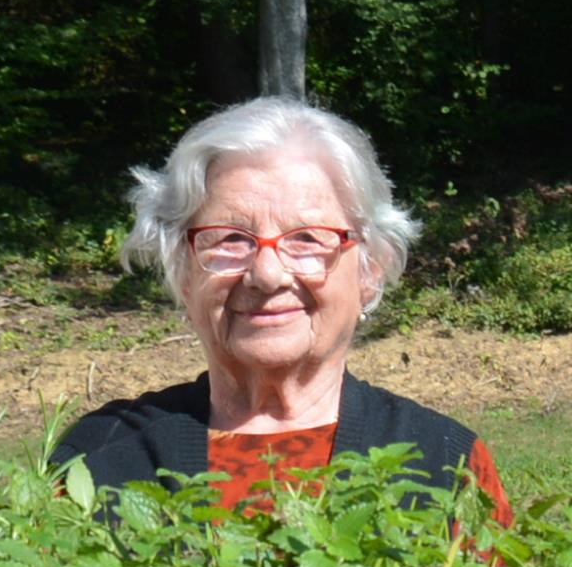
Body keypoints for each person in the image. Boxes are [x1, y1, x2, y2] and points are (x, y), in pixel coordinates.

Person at [51, 99, 513, 524]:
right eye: (230, 239)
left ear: (371, 268)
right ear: (184, 272)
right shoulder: (102, 460)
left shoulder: (443, 464)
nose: (267, 275)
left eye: (307, 238)